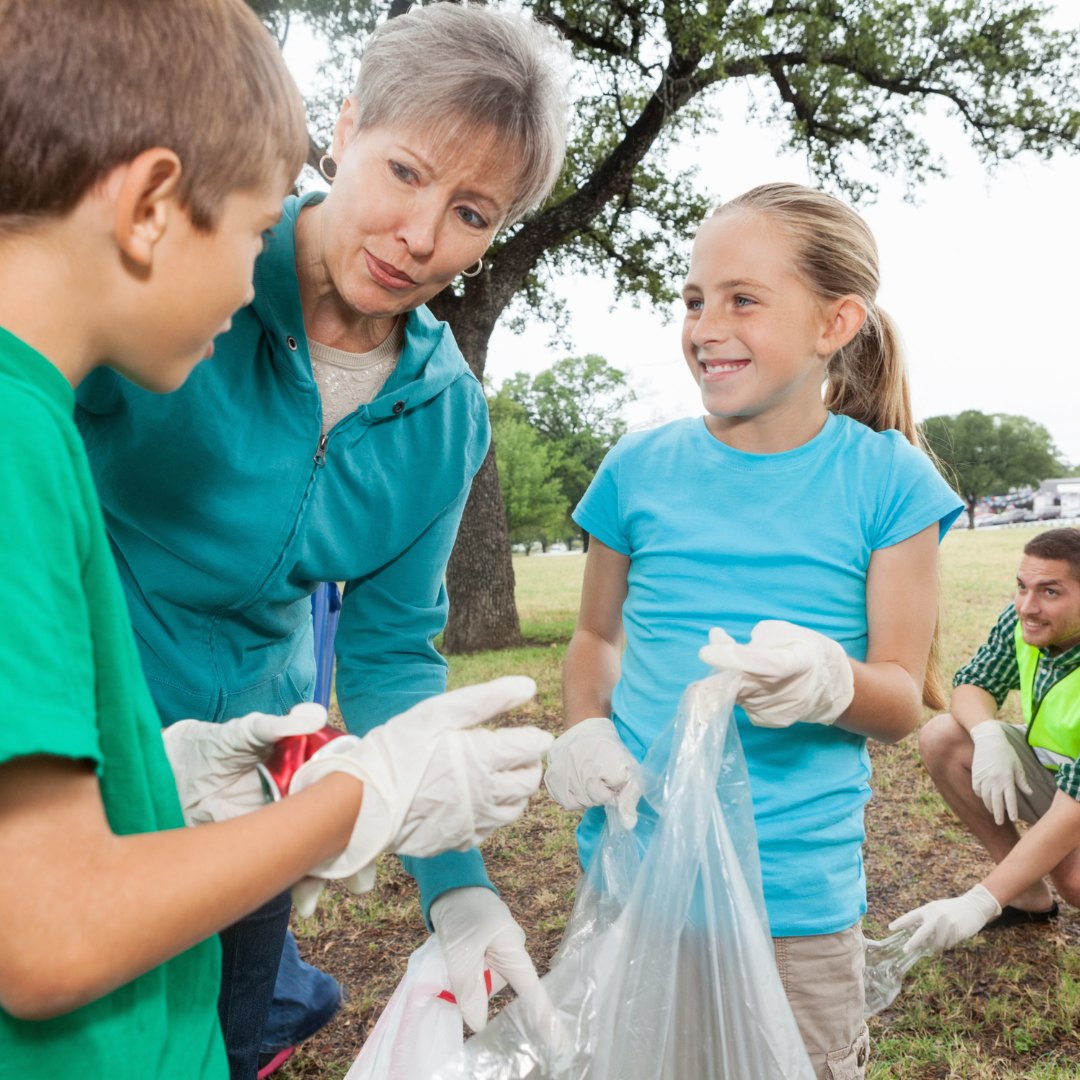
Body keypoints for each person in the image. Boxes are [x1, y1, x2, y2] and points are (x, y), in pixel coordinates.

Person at [0, 2, 553, 1077]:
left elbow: (392, 653)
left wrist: (461, 888)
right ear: (343, 129)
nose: (422, 234)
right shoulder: (164, 292)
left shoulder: (446, 417)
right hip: (74, 741)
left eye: (473, 212)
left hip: (250, 780)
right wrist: (339, 799)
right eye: (404, 172)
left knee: (208, 1029)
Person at [544, 183, 964, 1080]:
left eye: (742, 299)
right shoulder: (636, 470)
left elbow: (899, 697)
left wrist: (831, 682)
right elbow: (595, 639)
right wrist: (583, 724)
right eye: (694, 299)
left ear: (835, 322)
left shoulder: (888, 482)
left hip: (794, 903)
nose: (704, 325)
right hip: (638, 875)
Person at [891, 528, 1080, 953]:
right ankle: (1027, 894)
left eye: (1050, 591)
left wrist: (980, 901)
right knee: (944, 737)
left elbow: (1074, 811)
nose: (1027, 606)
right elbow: (974, 684)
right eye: (1022, 586)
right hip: (1063, 779)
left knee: (1076, 883)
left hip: (1075, 797)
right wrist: (987, 733)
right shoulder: (1023, 621)